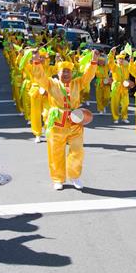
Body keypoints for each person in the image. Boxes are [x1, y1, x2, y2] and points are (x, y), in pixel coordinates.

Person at [31, 49, 99, 190]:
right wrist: (36, 60)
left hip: (75, 122)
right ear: (58, 72)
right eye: (63, 71)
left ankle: (75, 176)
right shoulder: (51, 84)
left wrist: (94, 60)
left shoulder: (77, 83)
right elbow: (39, 76)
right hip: (57, 123)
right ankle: (58, 179)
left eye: (69, 71)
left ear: (72, 73)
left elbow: (88, 76)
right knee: (56, 151)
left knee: (77, 150)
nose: (66, 73)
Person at [108, 48, 131, 124]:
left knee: (125, 103)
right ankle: (115, 118)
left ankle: (124, 117)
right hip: (116, 86)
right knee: (115, 103)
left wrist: (134, 59)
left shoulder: (126, 66)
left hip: (124, 86)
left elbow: (133, 66)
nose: (121, 60)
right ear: (117, 60)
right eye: (119, 59)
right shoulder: (114, 66)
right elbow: (110, 61)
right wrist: (112, 53)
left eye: (122, 58)